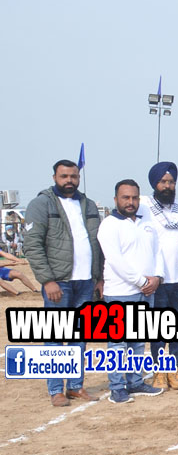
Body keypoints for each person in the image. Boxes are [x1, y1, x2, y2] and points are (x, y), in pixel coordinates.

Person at [25, 159, 103, 405]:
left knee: (80, 336)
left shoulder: (88, 204)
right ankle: (56, 390)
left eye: (73, 176)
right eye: (64, 176)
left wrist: (99, 278)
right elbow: (32, 245)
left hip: (86, 282)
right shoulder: (41, 204)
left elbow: (98, 243)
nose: (69, 180)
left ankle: (76, 387)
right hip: (59, 283)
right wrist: (48, 280)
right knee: (56, 336)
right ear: (54, 178)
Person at [97, 179, 165, 403]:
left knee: (138, 341)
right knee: (118, 343)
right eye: (125, 197)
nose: (131, 202)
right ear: (116, 199)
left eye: (134, 197)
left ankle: (135, 382)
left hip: (146, 292)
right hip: (120, 292)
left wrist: (157, 277)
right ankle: (117, 388)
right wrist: (142, 281)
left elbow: (157, 251)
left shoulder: (146, 222)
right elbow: (115, 260)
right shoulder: (109, 225)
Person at [138, 161, 178, 389]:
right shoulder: (144, 206)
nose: (167, 186)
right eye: (163, 182)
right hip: (159, 279)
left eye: (171, 182)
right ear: (154, 184)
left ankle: (174, 371)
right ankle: (159, 372)